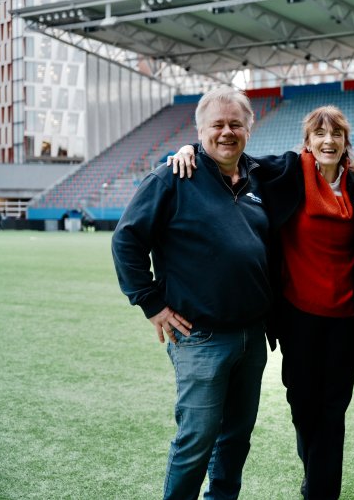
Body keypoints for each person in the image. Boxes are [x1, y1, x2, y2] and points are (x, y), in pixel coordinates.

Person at [169, 105, 354, 500]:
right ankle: (314, 476)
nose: (328, 141)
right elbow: (232, 155)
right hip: (298, 316)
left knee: (332, 413)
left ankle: (320, 491)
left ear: (347, 142)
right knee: (302, 407)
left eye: (336, 134)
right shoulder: (289, 171)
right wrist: (187, 149)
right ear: (308, 140)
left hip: (346, 319)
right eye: (320, 134)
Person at [111, 85, 271, 500]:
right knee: (197, 440)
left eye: (235, 124)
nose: (226, 132)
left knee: (236, 439)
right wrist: (151, 304)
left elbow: (314, 159)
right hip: (199, 336)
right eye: (216, 125)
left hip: (251, 337)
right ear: (199, 131)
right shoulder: (172, 176)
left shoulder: (258, 175)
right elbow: (126, 240)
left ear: (249, 128)